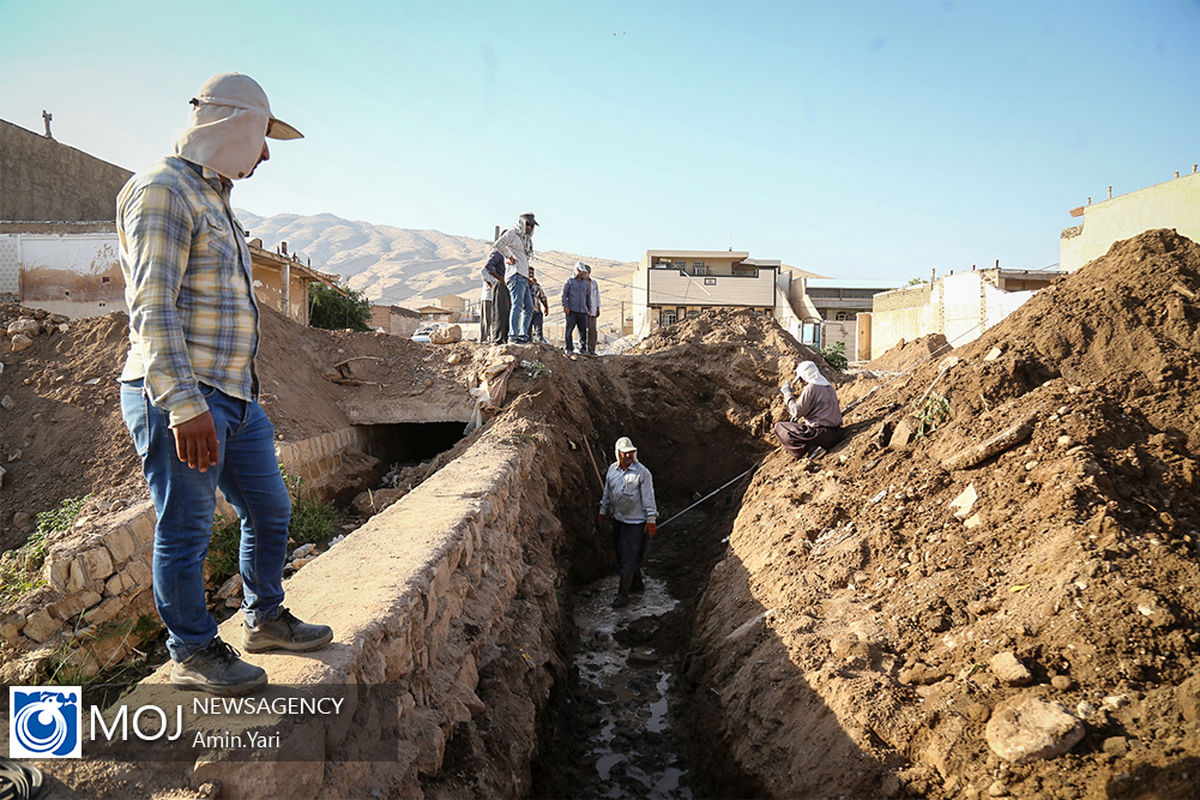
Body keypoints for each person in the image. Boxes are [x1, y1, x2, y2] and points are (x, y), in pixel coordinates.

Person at [117, 73, 332, 696]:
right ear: (233, 125)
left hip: (234, 395)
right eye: (263, 137)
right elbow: (152, 308)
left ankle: (264, 617)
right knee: (185, 526)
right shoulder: (162, 191)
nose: (265, 153)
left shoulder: (214, 198)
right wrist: (184, 406)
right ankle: (191, 650)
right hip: (183, 396)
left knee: (270, 509)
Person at [598, 437, 658, 608]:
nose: (629, 455)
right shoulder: (612, 470)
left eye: (631, 452)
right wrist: (603, 511)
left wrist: (651, 520)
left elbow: (648, 498)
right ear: (618, 454)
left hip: (636, 524)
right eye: (625, 453)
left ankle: (623, 596)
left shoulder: (642, 473)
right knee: (621, 555)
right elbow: (607, 493)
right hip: (619, 521)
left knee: (628, 559)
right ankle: (637, 584)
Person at [774, 360, 844, 459]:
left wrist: (787, 394)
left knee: (779, 427)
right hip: (837, 433)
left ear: (804, 377)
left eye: (801, 379)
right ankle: (815, 447)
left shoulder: (812, 387)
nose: (802, 383)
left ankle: (810, 450)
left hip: (821, 435)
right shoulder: (828, 386)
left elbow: (796, 411)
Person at [493, 212, 537, 343]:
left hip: (523, 276)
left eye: (531, 225)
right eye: (527, 224)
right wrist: (508, 256)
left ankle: (523, 335)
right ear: (522, 223)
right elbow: (498, 244)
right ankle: (513, 336)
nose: (529, 228)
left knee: (529, 307)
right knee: (517, 305)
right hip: (515, 275)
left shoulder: (526, 239)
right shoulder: (512, 233)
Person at [561, 261, 592, 354]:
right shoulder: (569, 282)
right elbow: (564, 295)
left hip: (583, 311)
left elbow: (588, 296)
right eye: (580, 271)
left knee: (583, 331)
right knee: (569, 330)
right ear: (576, 270)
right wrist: (565, 306)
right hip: (572, 310)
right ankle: (569, 349)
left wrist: (589, 307)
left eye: (583, 271)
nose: (581, 273)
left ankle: (582, 349)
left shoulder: (585, 283)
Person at [481, 250, 508, 344]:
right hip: (488, 297)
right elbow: (485, 271)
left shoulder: (499, 269)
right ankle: (484, 339)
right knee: (487, 319)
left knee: (495, 318)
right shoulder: (488, 270)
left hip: (496, 297)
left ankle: (492, 338)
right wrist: (496, 281)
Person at [528, 266, 549, 343]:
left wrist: (546, 307)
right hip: (527, 312)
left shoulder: (537, 286)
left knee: (538, 331)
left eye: (532, 273)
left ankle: (539, 345)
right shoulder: (523, 285)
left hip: (537, 311)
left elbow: (542, 297)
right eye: (529, 273)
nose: (531, 274)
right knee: (527, 332)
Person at [583, 263, 601, 355]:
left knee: (592, 330)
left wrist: (598, 307)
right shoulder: (579, 282)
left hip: (592, 310)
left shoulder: (594, 283)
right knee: (582, 330)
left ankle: (592, 349)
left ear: (589, 272)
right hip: (582, 310)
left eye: (586, 271)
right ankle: (582, 348)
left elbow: (597, 295)